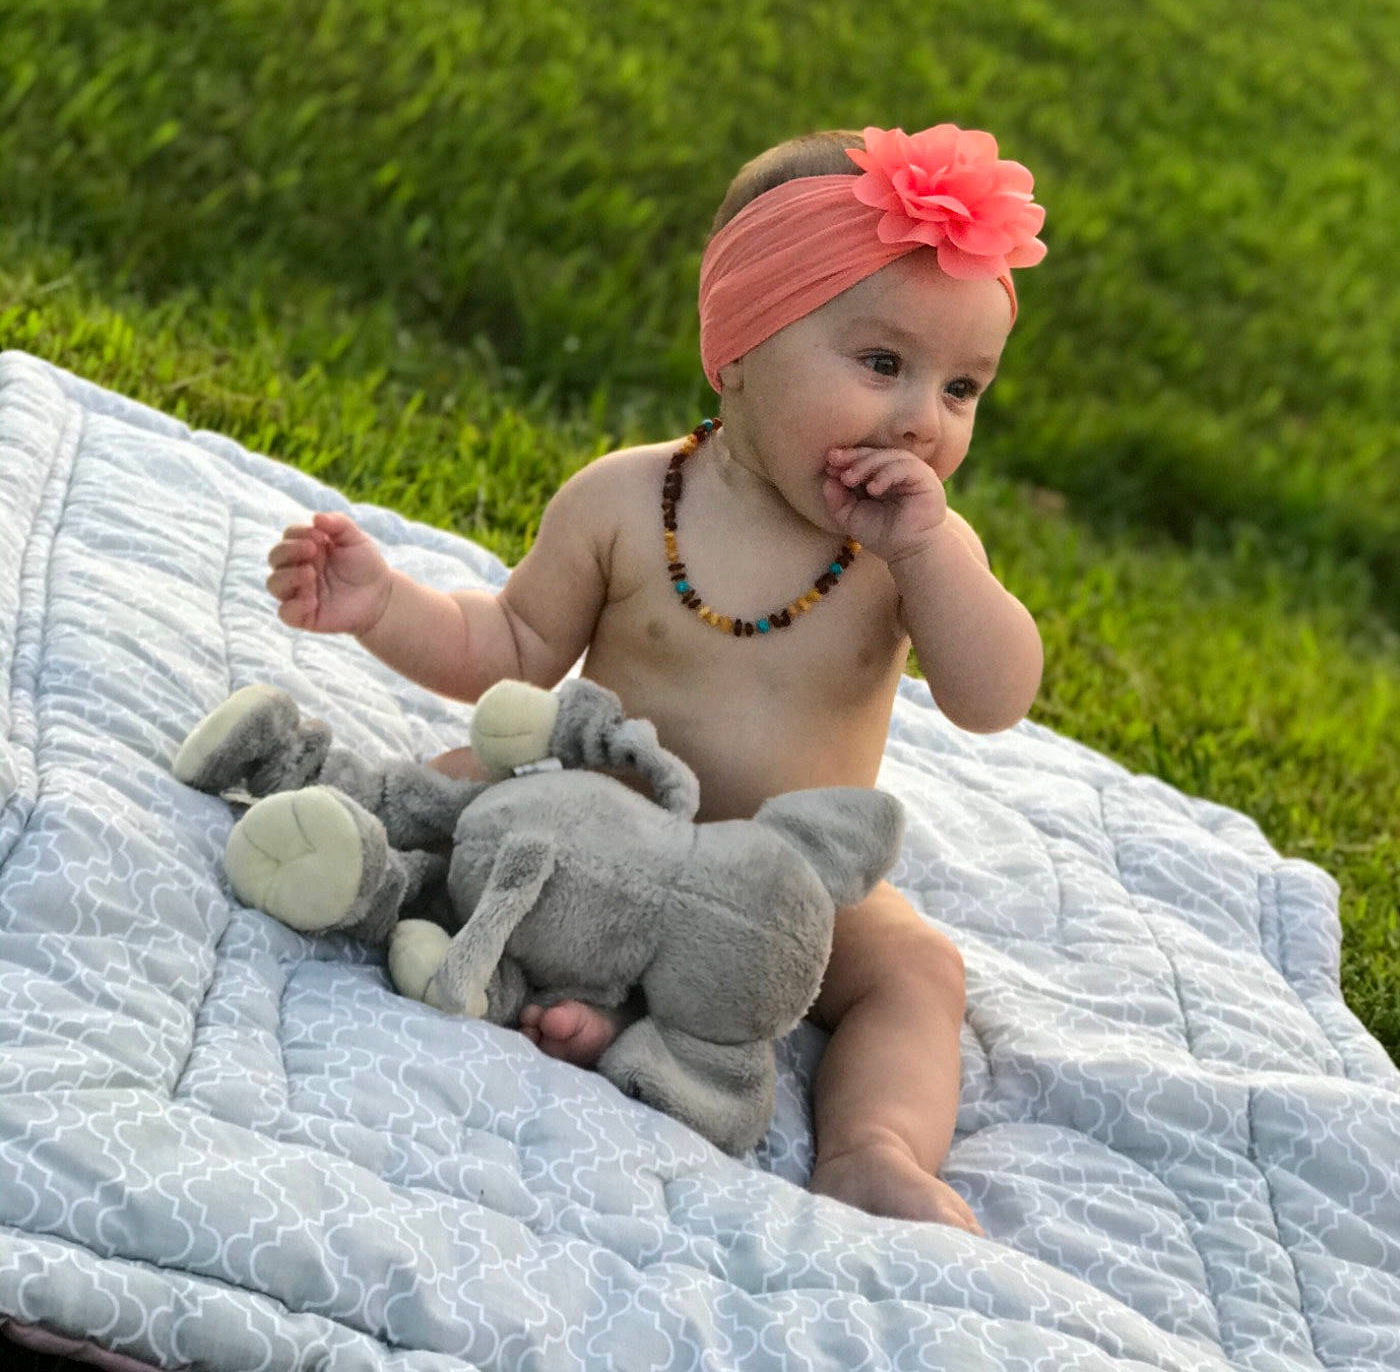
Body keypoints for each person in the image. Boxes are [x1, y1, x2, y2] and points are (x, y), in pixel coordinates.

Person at [265, 123, 1046, 1234]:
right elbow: (509, 649)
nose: (923, 418)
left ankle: (872, 1147)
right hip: (605, 824)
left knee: (917, 970)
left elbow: (995, 694)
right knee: (459, 790)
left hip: (782, 890)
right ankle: (369, 884)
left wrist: (933, 557)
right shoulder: (629, 501)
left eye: (963, 387)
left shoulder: (910, 556)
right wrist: (383, 604)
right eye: (884, 364)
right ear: (738, 349)